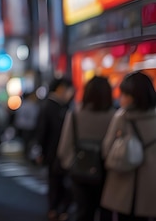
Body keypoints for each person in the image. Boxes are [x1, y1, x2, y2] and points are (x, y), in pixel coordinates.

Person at [57, 75, 115, 221]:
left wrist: (70, 164)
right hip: (107, 172)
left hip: (80, 170)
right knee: (106, 213)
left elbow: (64, 146)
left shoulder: (75, 114)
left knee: (83, 211)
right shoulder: (115, 116)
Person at [100, 71, 156, 221]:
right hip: (151, 183)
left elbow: (107, 149)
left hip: (123, 181)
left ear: (134, 97)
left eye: (124, 94)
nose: (120, 98)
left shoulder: (122, 117)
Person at [35, 76, 75, 221]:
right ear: (61, 89)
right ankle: (56, 208)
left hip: (54, 151)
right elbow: (42, 131)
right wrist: (41, 151)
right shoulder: (52, 106)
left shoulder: (56, 105)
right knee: (57, 181)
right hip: (54, 151)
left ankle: (56, 208)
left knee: (56, 181)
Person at [13, 90, 40, 162]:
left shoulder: (22, 104)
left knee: (24, 143)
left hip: (21, 126)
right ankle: (27, 157)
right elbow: (34, 117)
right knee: (29, 143)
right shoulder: (32, 105)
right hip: (29, 127)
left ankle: (24, 156)